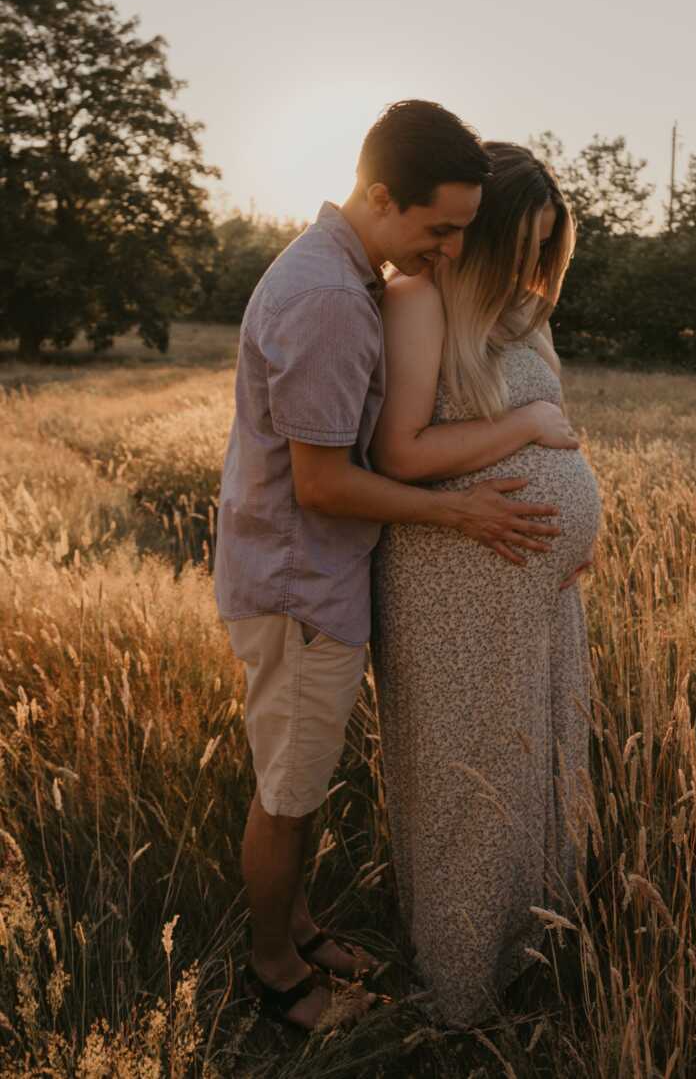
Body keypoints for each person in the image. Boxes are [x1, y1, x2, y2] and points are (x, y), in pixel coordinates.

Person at [214, 102, 579, 1031]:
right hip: (301, 585)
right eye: (443, 229)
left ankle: (296, 929)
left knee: (303, 778)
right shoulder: (333, 298)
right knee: (289, 795)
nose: (454, 250)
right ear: (382, 195)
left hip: (319, 580)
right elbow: (328, 484)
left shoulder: (344, 275)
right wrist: (462, 511)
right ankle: (276, 975)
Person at [371, 140, 601, 1026]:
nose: (534, 267)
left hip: (537, 584)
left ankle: (527, 951)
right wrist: (524, 426)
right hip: (453, 578)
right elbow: (402, 453)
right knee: (469, 774)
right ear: (479, 229)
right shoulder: (419, 302)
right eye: (523, 243)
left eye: (547, 248)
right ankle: (460, 992)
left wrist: (590, 513)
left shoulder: (521, 312)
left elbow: (558, 430)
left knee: (539, 760)